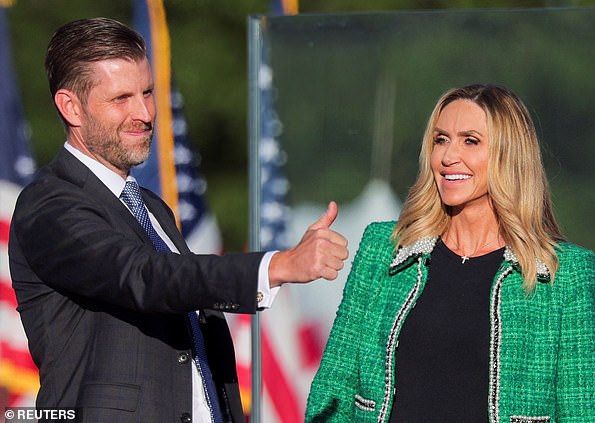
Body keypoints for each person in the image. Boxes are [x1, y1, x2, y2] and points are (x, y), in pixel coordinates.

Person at [8, 17, 349, 423]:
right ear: (71, 107)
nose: (144, 113)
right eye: (121, 99)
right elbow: (147, 277)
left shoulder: (150, 206)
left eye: (148, 92)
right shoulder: (49, 205)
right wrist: (276, 266)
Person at [305, 84, 595, 422]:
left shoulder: (565, 273)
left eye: (470, 141)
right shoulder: (382, 249)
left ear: (510, 154)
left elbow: (581, 412)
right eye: (441, 139)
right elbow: (334, 387)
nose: (448, 156)